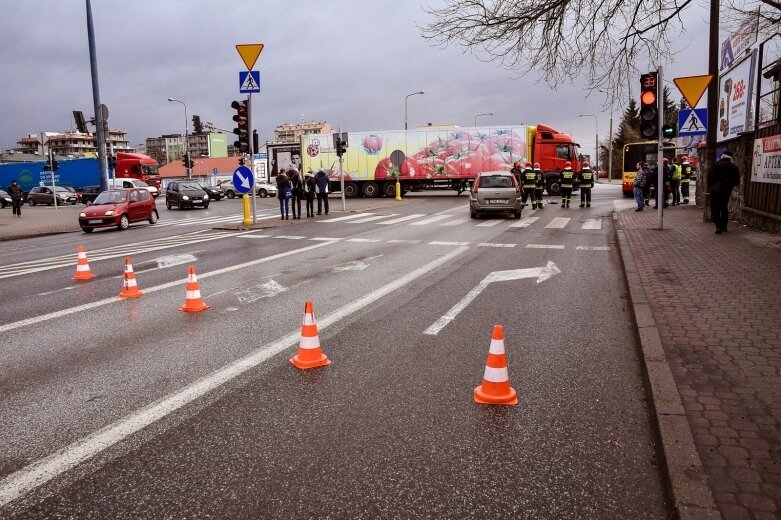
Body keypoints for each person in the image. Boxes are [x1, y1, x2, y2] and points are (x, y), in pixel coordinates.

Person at [708, 150, 740, 234]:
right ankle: (724, 227)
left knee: (715, 208)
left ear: (722, 156)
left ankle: (718, 227)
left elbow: (710, 178)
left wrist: (710, 187)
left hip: (715, 190)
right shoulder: (734, 167)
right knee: (724, 207)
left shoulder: (716, 165)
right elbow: (737, 181)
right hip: (726, 190)